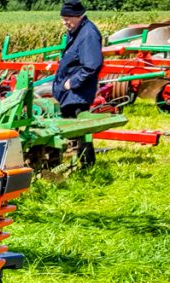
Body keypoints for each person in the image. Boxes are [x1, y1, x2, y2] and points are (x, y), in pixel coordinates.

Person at [53, 0, 103, 168]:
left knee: (80, 130)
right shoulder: (75, 31)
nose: (64, 22)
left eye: (67, 18)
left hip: (78, 92)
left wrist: (71, 83)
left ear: (78, 16)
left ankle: (87, 166)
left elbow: (92, 65)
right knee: (70, 128)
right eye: (63, 18)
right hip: (70, 92)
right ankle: (72, 163)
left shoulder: (88, 34)